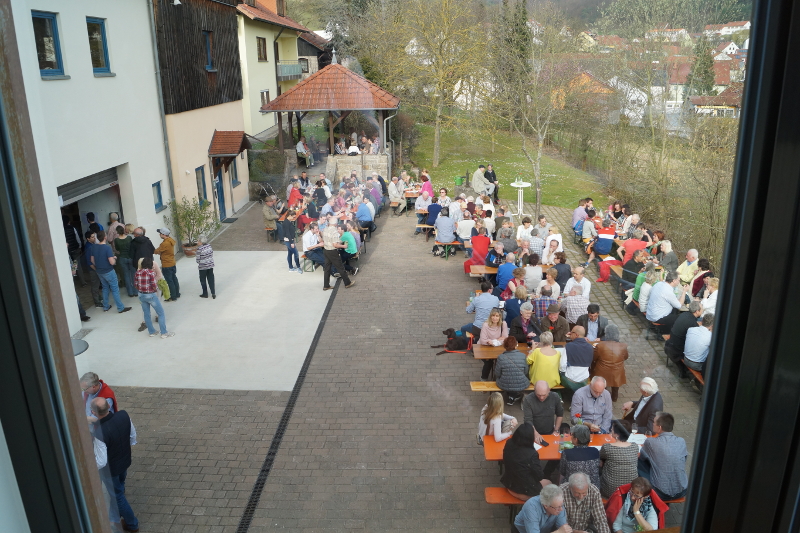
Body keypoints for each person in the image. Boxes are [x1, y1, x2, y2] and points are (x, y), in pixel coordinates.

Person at [90, 397, 139, 532]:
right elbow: (132, 435)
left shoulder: (100, 432)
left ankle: (132, 524)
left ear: (94, 413)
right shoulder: (123, 415)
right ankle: (115, 517)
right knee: (119, 488)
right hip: (125, 461)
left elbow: (101, 461)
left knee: (117, 496)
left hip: (111, 470)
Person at [637, 412, 688, 501]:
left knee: (638, 461)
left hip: (661, 492)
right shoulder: (681, 441)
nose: (652, 423)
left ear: (659, 427)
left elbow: (642, 457)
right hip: (682, 490)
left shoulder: (651, 442)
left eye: (654, 422)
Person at [501, 423, 551, 502]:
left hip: (509, 485)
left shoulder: (509, 443)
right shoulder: (532, 454)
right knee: (549, 483)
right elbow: (540, 476)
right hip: (523, 492)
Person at [92, 231, 132, 314]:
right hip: (108, 271)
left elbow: (92, 260)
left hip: (99, 271)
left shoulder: (94, 247)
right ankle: (120, 308)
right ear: (105, 237)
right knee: (115, 289)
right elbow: (112, 262)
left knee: (105, 288)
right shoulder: (107, 248)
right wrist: (114, 258)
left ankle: (105, 306)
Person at [134, 257, 173, 338]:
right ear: (150, 265)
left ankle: (152, 332)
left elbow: (136, 285)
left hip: (141, 295)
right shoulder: (151, 273)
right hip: (150, 295)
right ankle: (164, 333)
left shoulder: (137, 272)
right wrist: (154, 291)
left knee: (146, 314)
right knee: (161, 313)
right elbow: (154, 286)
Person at [600, 420, 639, 498]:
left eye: (612, 429)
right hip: (630, 490)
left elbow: (601, 457)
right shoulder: (635, 446)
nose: (611, 430)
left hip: (611, 491)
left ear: (617, 434)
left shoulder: (607, 447)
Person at [589, 324, 627, 401]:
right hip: (617, 371)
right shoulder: (623, 346)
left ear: (606, 334)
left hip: (602, 371)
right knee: (615, 385)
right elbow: (625, 357)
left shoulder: (600, 346)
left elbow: (594, 358)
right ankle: (614, 397)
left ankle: (601, 395)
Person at [664, 300, 703, 375]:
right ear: (697, 311)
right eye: (701, 310)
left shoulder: (684, 314)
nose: (702, 311)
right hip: (678, 349)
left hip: (672, 343)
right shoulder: (692, 324)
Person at [560, 425, 601, 491]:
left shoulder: (566, 452)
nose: (571, 437)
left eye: (572, 435)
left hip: (572, 489)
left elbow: (562, 472)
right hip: (593, 489)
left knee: (561, 476)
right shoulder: (595, 451)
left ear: (576, 439)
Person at [321, 215, 354, 290]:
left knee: (327, 268)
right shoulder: (335, 231)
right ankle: (347, 283)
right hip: (332, 251)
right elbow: (335, 245)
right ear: (336, 224)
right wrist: (343, 246)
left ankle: (326, 285)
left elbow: (326, 239)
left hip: (326, 250)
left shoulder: (325, 229)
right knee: (340, 267)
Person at [495, 337, 531, 405]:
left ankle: (511, 396)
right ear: (515, 345)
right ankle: (513, 396)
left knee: (500, 379)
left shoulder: (501, 357)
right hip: (522, 383)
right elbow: (526, 371)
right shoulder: (523, 356)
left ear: (504, 346)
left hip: (504, 384)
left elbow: (497, 373)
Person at [478, 308, 509, 380]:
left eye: (497, 316)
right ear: (490, 316)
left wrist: (493, 342)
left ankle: (497, 379)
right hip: (484, 347)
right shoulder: (485, 325)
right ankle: (484, 378)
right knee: (489, 362)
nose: (495, 318)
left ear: (500, 317)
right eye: (493, 316)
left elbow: (505, 338)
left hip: (497, 347)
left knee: (501, 360)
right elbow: (483, 340)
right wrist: (498, 340)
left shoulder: (503, 324)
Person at [559, 326, 593, 391]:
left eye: (572, 333)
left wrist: (562, 373)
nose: (570, 334)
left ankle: (558, 393)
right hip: (584, 381)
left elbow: (562, 365)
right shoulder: (590, 347)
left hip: (569, 381)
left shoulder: (569, 346)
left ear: (576, 335)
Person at [154, 228, 180, 302]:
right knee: (174, 278)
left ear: (164, 234)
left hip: (166, 264)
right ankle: (177, 293)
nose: (159, 234)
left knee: (169, 281)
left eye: (160, 233)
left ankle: (173, 296)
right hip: (172, 263)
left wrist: (154, 250)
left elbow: (157, 251)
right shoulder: (170, 240)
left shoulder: (165, 243)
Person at [114, 226, 137, 297]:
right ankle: (135, 291)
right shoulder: (129, 238)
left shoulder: (116, 240)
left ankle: (130, 292)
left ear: (117, 232)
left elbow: (117, 249)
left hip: (122, 257)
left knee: (126, 275)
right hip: (130, 257)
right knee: (133, 274)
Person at [64, 215, 87, 286]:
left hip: (67, 251)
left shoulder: (60, 229)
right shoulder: (72, 228)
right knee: (76, 264)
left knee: (67, 266)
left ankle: (71, 283)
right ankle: (83, 282)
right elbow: (77, 239)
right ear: (69, 221)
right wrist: (80, 247)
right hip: (75, 250)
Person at [193, 234, 216, 299]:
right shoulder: (209, 246)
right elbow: (211, 254)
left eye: (198, 241)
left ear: (200, 242)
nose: (197, 242)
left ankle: (205, 293)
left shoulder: (199, 249)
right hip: (210, 265)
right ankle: (213, 293)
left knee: (203, 280)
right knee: (211, 279)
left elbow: (198, 260)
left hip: (203, 267)